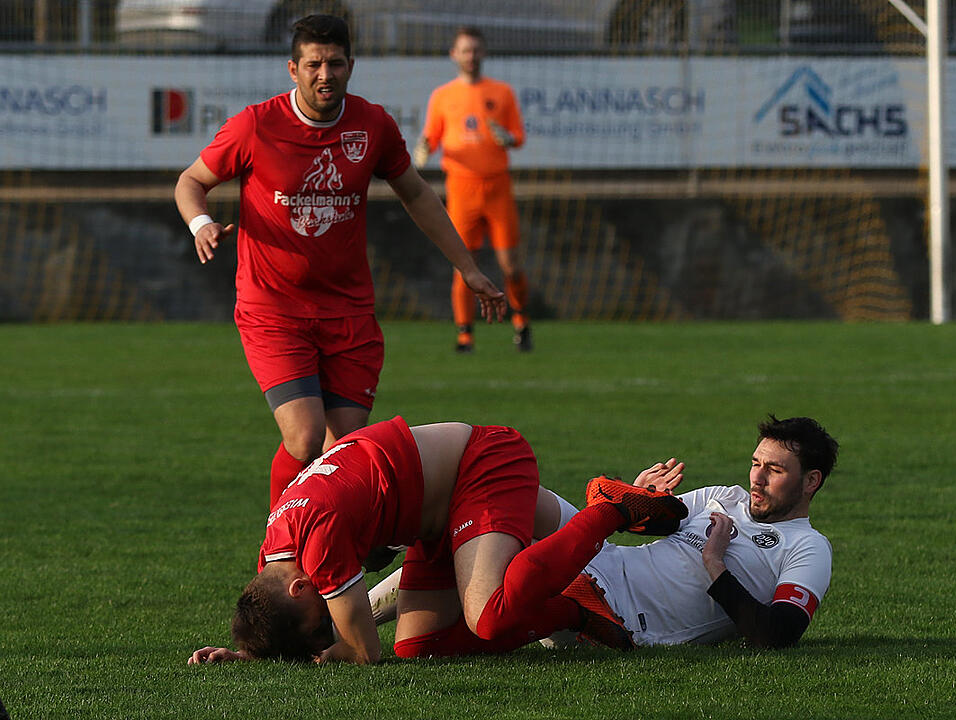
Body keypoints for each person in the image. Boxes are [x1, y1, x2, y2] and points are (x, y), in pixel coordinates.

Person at [174, 15, 506, 507]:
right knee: (304, 439)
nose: (324, 74)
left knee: (343, 452)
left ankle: (323, 550)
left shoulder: (372, 125)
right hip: (274, 309)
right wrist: (201, 223)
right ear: (293, 69)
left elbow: (417, 195)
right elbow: (190, 182)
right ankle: (278, 556)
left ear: (351, 66)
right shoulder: (255, 125)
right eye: (313, 64)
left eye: (334, 63)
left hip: (348, 312)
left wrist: (468, 267)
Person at [187, 416, 688, 665]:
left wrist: (335, 649)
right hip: (438, 516)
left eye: (318, 621)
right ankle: (574, 610)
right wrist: (254, 652)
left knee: (487, 616)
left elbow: (364, 648)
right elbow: (294, 619)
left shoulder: (314, 537)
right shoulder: (277, 551)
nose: (326, 626)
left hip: (483, 465)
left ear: (300, 588)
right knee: (419, 646)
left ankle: (613, 507)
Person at [368, 415, 837, 651]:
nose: (756, 477)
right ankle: (360, 606)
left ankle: (363, 608)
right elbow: (661, 520)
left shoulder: (807, 548)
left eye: (774, 470)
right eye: (756, 463)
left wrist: (715, 564)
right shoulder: (725, 495)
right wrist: (642, 497)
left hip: (616, 616)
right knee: (503, 496)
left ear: (811, 481)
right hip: (604, 560)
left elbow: (778, 635)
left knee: (502, 581)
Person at [413, 26, 532, 354]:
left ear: (484, 53)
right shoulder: (442, 96)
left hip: (497, 187)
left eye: (476, 50)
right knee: (464, 264)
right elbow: (432, 138)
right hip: (461, 189)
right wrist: (423, 147)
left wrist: (506, 138)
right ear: (454, 55)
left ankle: (521, 321)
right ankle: (465, 334)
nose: (471, 56)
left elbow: (517, 136)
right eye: (465, 50)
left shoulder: (502, 92)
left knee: (511, 264)